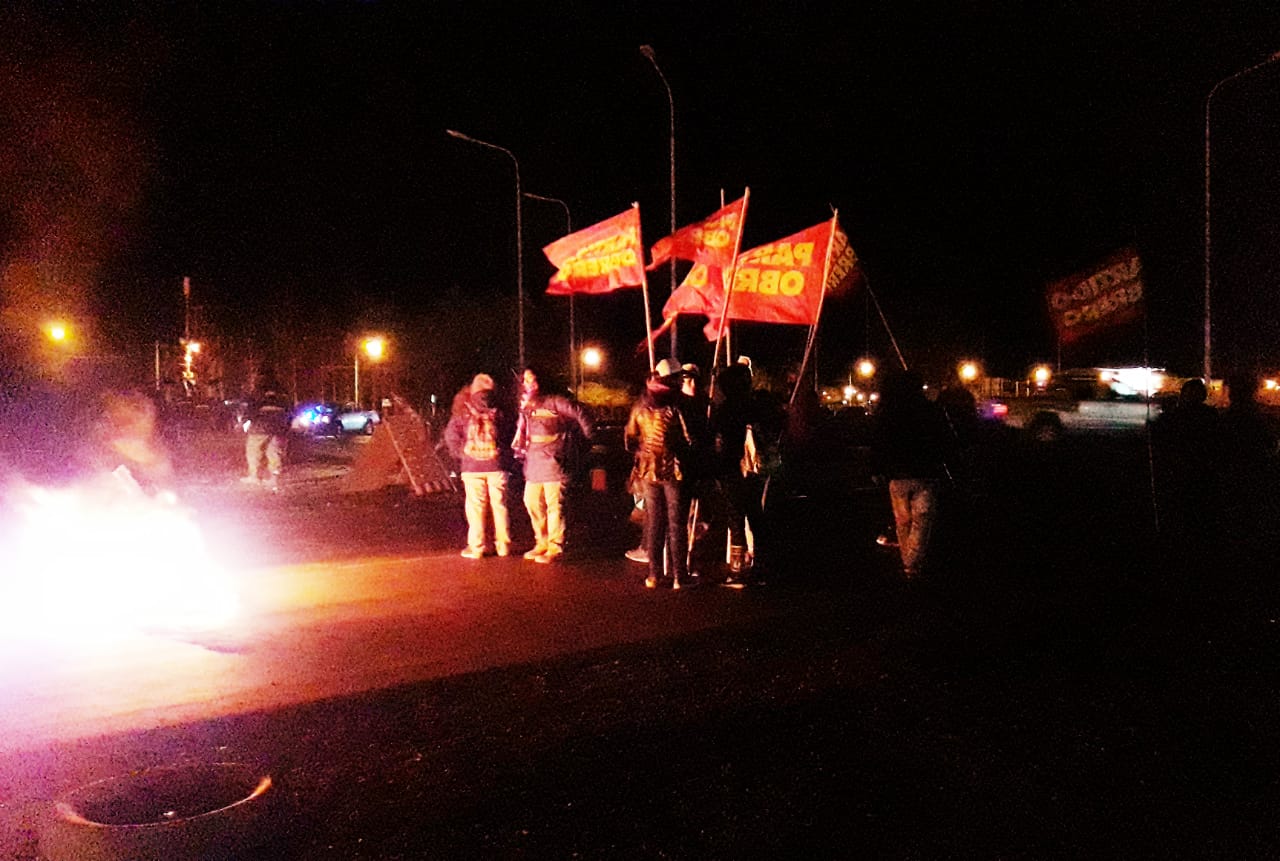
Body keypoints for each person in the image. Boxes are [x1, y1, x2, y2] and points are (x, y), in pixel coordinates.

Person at [869, 369, 957, 579]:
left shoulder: (888, 413)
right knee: (921, 522)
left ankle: (908, 564)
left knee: (903, 522)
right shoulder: (931, 411)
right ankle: (912, 566)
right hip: (925, 474)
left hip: (898, 475)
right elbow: (946, 440)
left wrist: (877, 469)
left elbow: (878, 443)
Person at [511, 366, 593, 563]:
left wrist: (586, 439)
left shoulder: (556, 402)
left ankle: (555, 547)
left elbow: (581, 413)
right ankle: (542, 542)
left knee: (554, 506)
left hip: (554, 463)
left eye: (532, 379)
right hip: (534, 465)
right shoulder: (527, 407)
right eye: (525, 380)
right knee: (531, 502)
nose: (528, 384)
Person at [626, 359, 695, 589]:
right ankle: (679, 576)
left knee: (654, 522)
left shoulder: (641, 404)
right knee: (677, 524)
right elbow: (689, 438)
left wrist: (643, 451)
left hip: (648, 470)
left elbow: (629, 438)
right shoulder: (678, 405)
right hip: (673, 470)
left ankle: (653, 575)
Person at [445, 373, 511, 559]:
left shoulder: (463, 409)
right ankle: (503, 545)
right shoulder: (500, 409)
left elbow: (451, 435)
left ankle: (477, 547)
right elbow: (509, 434)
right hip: (497, 464)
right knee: (500, 505)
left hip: (472, 466)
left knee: (475, 507)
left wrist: (462, 454)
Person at [242, 370, 292, 491]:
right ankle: (274, 479)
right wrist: (287, 425)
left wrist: (245, 420)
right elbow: (290, 409)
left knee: (253, 451)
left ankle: (254, 476)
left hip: (261, 426)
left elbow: (251, 408)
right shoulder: (282, 392)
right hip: (279, 426)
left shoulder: (257, 392)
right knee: (275, 452)